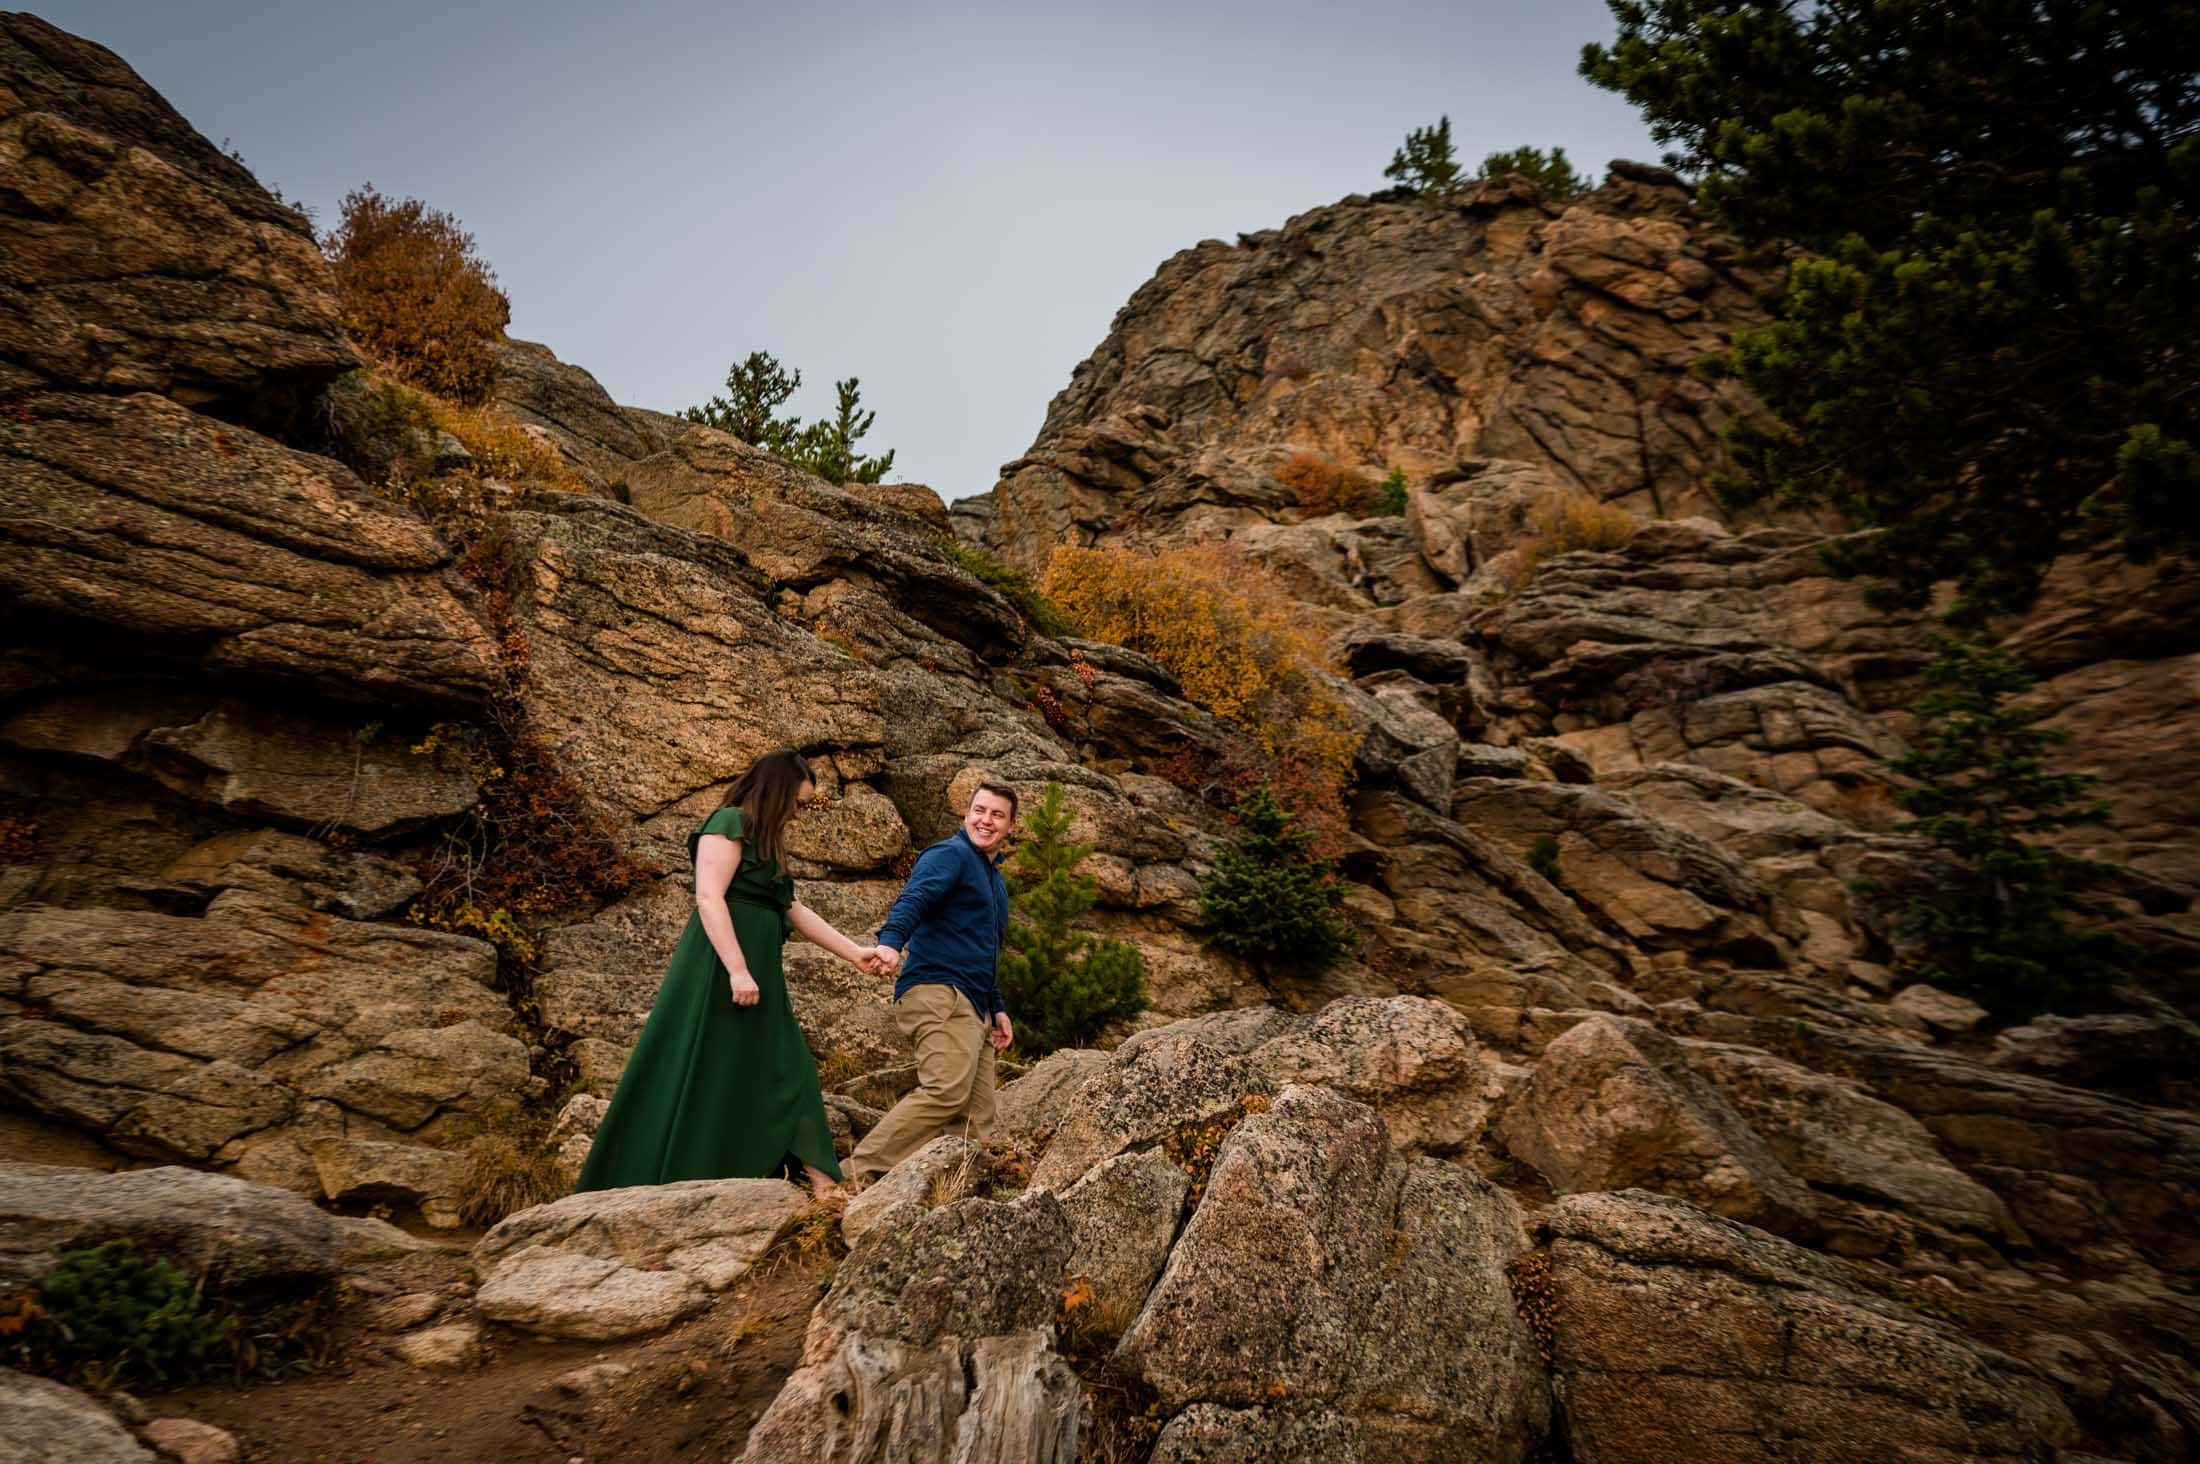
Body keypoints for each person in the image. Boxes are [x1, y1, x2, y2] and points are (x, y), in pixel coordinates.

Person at [574, 750, 883, 1199]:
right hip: (717, 969)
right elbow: (708, 898)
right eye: (799, 802)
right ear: (777, 791)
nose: (800, 813)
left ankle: (822, 1180)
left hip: (760, 974)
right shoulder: (728, 824)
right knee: (704, 1064)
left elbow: (792, 908)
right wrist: (737, 969)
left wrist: (854, 952)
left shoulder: (768, 841)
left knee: (788, 1063)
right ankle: (668, 1175)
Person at [842, 780, 1018, 1185]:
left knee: (977, 1118)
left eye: (997, 815)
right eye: (979, 810)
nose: (985, 820)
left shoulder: (994, 880)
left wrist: (998, 1007)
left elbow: (984, 949)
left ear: (1010, 826)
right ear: (965, 814)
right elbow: (913, 899)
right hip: (939, 991)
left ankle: (947, 1193)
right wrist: (889, 944)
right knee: (945, 1092)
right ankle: (851, 1176)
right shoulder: (950, 855)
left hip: (975, 1004)